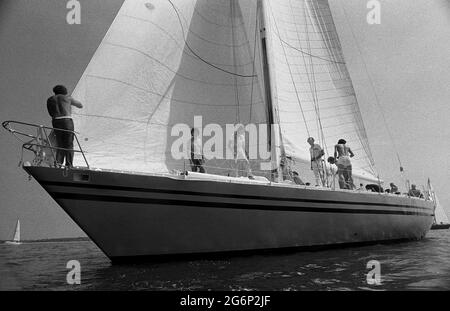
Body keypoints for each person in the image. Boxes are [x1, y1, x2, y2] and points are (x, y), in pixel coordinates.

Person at [47, 85, 83, 167]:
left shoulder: (50, 100)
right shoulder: (68, 98)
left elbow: (50, 113)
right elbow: (80, 105)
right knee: (69, 144)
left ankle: (58, 164)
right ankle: (69, 164)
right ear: (64, 91)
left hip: (56, 121)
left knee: (60, 143)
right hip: (67, 121)